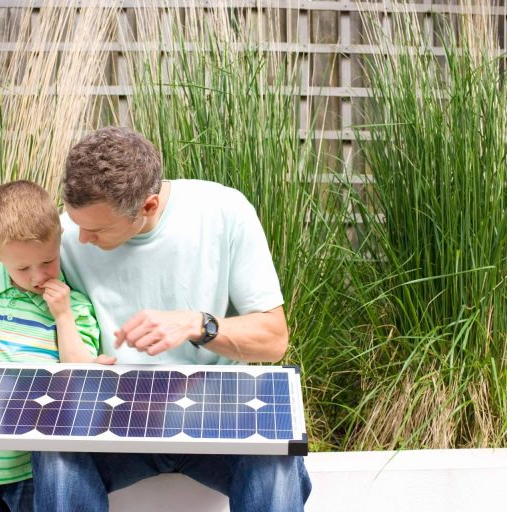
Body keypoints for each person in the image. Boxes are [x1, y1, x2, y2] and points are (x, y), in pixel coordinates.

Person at [31, 127, 312, 511]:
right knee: (54, 458)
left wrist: (198, 324)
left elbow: (274, 339)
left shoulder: (224, 211)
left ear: (147, 206)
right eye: (76, 224)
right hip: (110, 423)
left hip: (219, 419)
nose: (80, 240)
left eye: (96, 230)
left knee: (276, 463)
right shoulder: (62, 236)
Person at [0, 180, 109, 512]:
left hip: (34, 464)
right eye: (22, 267)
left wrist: (62, 316)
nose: (38, 276)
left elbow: (79, 372)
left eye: (48, 261)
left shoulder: (74, 306)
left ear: (59, 240)